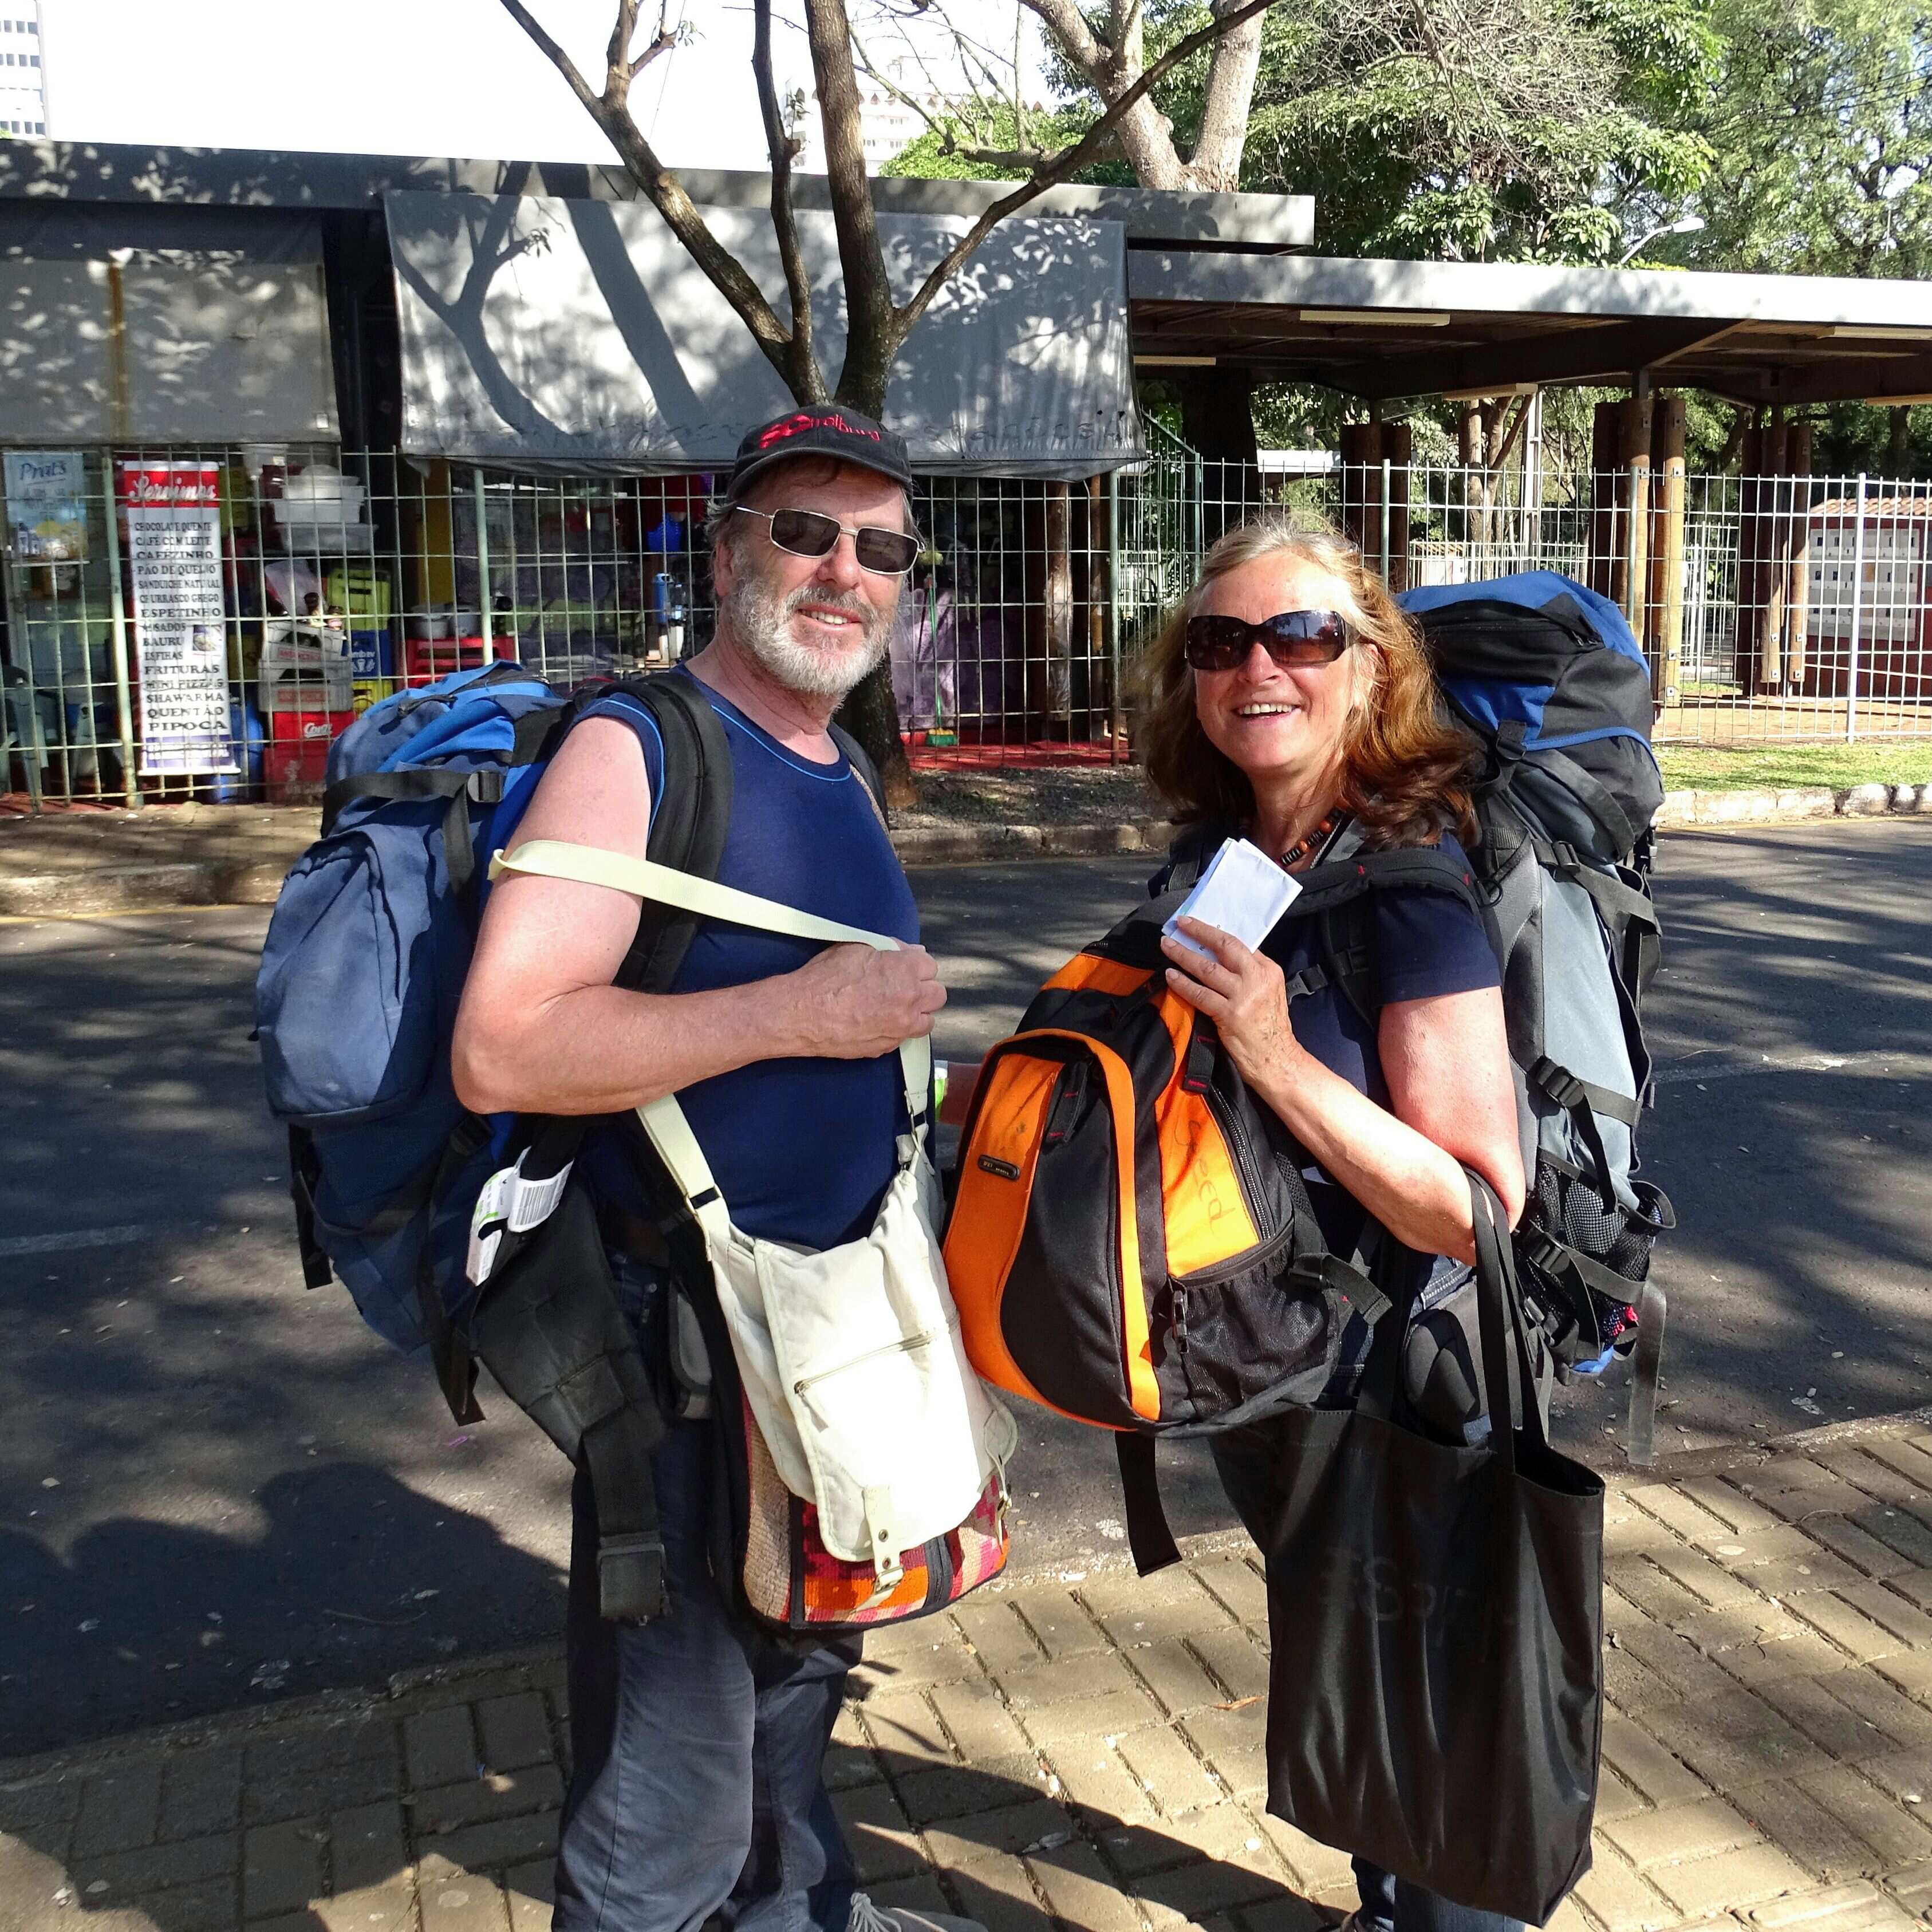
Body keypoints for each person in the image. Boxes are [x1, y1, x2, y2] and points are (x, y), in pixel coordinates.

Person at [451, 405, 985, 1932]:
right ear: (728, 546)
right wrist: (801, 1016)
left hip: (827, 1333)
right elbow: (502, 1046)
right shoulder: (636, 747)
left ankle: (798, 1914)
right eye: (804, 530)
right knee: (667, 1781)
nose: (843, 569)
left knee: (799, 1676)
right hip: (686, 1362)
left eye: (880, 546)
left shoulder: (837, 762)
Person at [1138, 519, 1528, 1932]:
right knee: (1349, 1685)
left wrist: (1273, 1049)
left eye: (1301, 635)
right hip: (1275, 1364)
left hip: (1400, 1383)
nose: (1259, 667)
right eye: (1220, 641)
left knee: (1428, 1729)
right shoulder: (1229, 853)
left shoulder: (1411, 887)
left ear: (1370, 668)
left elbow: (1474, 1206)